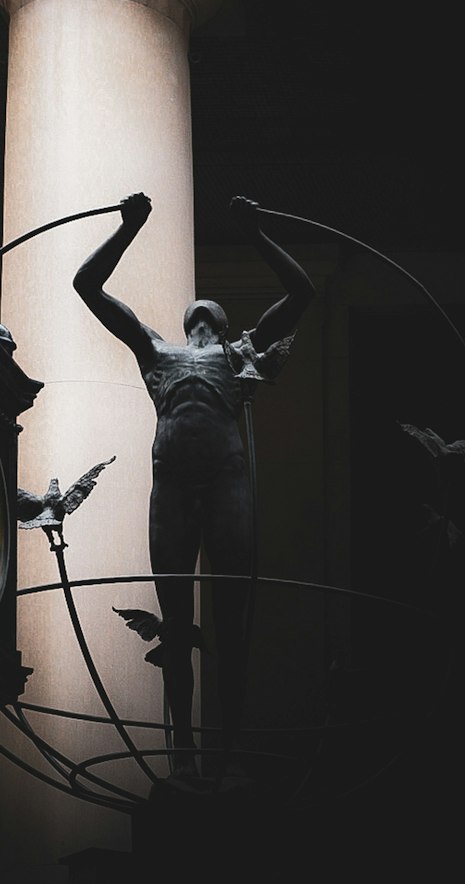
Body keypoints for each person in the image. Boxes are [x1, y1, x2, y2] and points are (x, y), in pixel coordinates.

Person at [73, 192, 314, 778]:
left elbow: (302, 294)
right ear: (185, 326)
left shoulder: (242, 354)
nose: (202, 317)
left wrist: (255, 232)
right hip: (173, 493)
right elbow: (87, 285)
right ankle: (182, 758)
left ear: (224, 326)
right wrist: (128, 227)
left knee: (230, 624)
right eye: (196, 315)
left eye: (211, 316)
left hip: (228, 486)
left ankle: (226, 758)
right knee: (174, 626)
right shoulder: (155, 349)